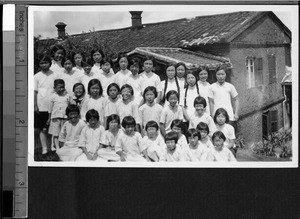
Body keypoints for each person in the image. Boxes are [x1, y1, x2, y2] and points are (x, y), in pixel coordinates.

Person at [34, 55, 58, 155]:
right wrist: (35, 105)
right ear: (39, 65)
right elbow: (34, 92)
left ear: (50, 63)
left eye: (46, 63)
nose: (44, 65)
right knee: (42, 128)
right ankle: (44, 148)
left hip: (53, 106)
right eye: (42, 63)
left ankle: (52, 146)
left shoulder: (54, 74)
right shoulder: (36, 76)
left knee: (52, 128)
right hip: (41, 105)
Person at [47, 79, 69, 150]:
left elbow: (70, 105)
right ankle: (56, 147)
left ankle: (63, 146)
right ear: (54, 88)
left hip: (64, 117)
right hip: (55, 118)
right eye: (59, 87)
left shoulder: (67, 96)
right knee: (55, 133)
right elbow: (50, 108)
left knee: (63, 133)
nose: (61, 89)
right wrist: (49, 118)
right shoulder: (52, 96)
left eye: (63, 87)